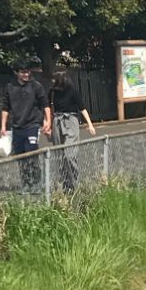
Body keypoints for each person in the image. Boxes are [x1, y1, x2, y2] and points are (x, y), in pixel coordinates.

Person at [0, 60, 50, 191]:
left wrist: (48, 121)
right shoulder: (10, 87)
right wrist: (3, 126)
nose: (26, 74)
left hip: (32, 125)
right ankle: (26, 183)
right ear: (16, 72)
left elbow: (45, 104)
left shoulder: (36, 86)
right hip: (16, 127)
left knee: (32, 152)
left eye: (28, 72)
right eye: (23, 72)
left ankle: (37, 182)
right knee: (20, 157)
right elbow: (5, 107)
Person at [48, 60, 96, 192]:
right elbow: (48, 108)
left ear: (60, 79)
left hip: (71, 121)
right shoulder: (52, 92)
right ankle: (66, 184)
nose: (52, 81)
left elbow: (82, 108)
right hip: (57, 121)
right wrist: (48, 125)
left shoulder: (72, 90)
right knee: (60, 154)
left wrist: (90, 125)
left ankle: (74, 180)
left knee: (69, 153)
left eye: (54, 79)